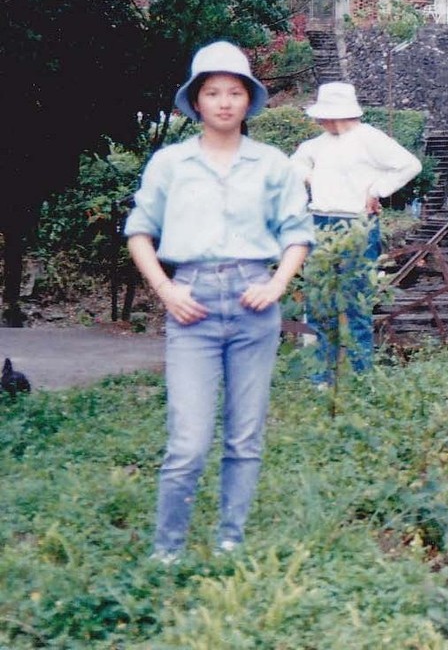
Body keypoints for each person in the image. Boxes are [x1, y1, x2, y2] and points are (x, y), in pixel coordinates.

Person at [126, 40, 314, 562]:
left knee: (245, 437)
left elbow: (298, 231)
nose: (225, 102)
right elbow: (139, 231)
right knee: (188, 443)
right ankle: (167, 552)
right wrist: (166, 290)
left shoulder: (272, 164)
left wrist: (277, 284)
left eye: (235, 92)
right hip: (193, 305)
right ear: (196, 101)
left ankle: (230, 540)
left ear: (249, 100)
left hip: (255, 304)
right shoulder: (170, 163)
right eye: (214, 92)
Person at [290, 82, 421, 379]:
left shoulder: (370, 139)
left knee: (357, 305)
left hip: (357, 225)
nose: (318, 121)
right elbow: (294, 163)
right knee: (320, 303)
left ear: (338, 114)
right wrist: (309, 176)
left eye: (323, 116)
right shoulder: (318, 143)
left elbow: (409, 165)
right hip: (320, 223)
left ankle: (362, 378)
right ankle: (321, 380)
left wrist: (377, 190)